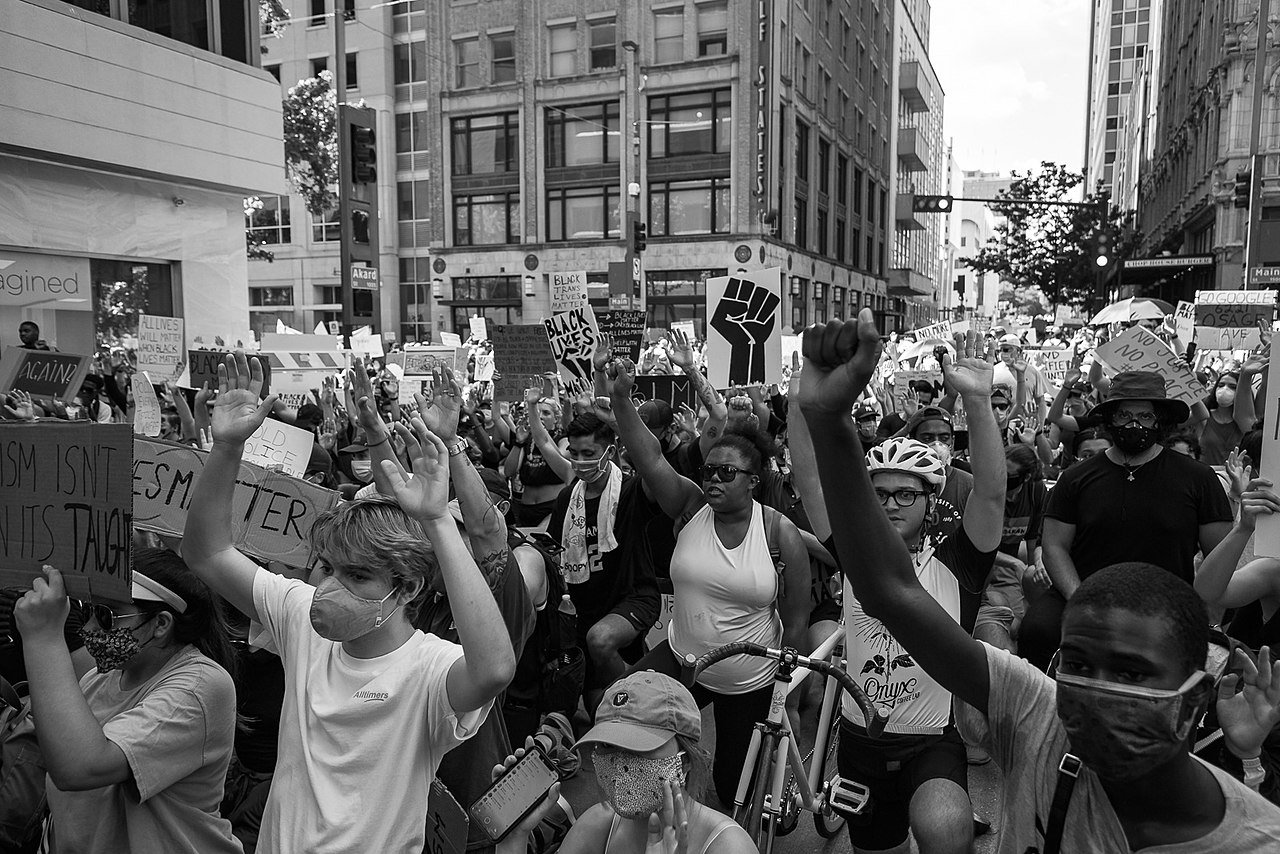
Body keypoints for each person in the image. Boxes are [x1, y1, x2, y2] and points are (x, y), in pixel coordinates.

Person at [796, 310, 1280, 853]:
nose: (1094, 692)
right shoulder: (1040, 717)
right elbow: (890, 590)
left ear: (1193, 700)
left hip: (1165, 615)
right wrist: (822, 415)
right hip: (1070, 606)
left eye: (1130, 673)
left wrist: (1249, 760)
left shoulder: (1256, 839)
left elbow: (986, 500)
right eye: (1074, 666)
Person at [182, 352, 516, 854]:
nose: (333, 587)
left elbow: (493, 669)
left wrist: (438, 521)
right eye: (331, 568)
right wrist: (227, 446)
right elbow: (206, 552)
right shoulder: (300, 618)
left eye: (358, 576)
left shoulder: (429, 669)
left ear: (407, 589)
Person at [789, 328, 1003, 854]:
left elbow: (992, 495)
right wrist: (802, 396)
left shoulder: (957, 562)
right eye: (879, 493)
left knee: (945, 828)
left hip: (932, 741)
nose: (890, 504)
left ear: (930, 502)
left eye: (906, 493)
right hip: (861, 740)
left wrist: (976, 399)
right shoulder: (858, 556)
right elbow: (811, 480)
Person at [606, 355, 810, 807]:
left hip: (749, 682)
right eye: (708, 471)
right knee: (621, 710)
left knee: (733, 786)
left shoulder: (780, 534)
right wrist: (621, 398)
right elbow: (651, 458)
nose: (713, 479)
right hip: (683, 662)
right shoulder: (690, 507)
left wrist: (786, 688)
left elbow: (796, 619)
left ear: (754, 481)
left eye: (727, 473)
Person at [14, 550, 241, 853]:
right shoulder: (99, 677)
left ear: (161, 624)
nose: (90, 629)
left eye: (107, 616)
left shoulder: (201, 686)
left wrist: (42, 637)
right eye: (89, 612)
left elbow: (79, 768)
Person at [1023, 370, 1234, 670]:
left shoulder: (1198, 479)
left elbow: (1219, 555)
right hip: (1084, 593)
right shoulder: (1075, 478)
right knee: (1037, 631)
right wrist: (1079, 597)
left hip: (1165, 604)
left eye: (1145, 417)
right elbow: (1055, 546)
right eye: (1124, 415)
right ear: (1110, 419)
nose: (1134, 425)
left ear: (1159, 421)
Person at [494, 671, 755, 854]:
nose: (621, 764)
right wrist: (514, 837)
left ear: (685, 760)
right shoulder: (599, 824)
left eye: (638, 747)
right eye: (607, 746)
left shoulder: (728, 846)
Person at [546, 412, 661, 716]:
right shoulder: (567, 498)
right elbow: (553, 552)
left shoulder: (633, 490)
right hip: (583, 607)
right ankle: (640, 677)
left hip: (634, 596)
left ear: (609, 452)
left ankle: (647, 698)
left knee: (600, 640)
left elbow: (653, 462)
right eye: (574, 453)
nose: (580, 461)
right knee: (595, 705)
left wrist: (623, 415)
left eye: (589, 453)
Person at [506, 393, 569, 527]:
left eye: (546, 413)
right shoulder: (527, 439)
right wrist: (518, 442)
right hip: (525, 508)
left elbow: (561, 459)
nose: (540, 416)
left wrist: (541, 430)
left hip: (552, 507)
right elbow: (509, 471)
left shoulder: (563, 439)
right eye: (537, 413)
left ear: (556, 419)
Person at [1199, 358, 1262, 467]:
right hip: (1206, 477)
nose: (1225, 389)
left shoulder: (1244, 422)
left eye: (1232, 387)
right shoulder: (1204, 416)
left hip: (1233, 479)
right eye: (1221, 385)